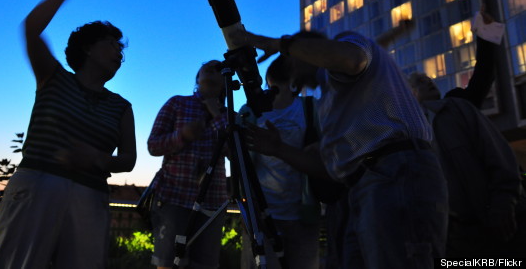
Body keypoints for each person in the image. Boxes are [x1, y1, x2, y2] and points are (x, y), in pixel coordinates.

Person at [233, 29, 448, 269]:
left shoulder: (349, 43)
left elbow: (352, 58)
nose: (291, 69)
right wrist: (279, 149)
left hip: (394, 173)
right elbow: (328, 169)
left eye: (292, 59)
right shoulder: (330, 99)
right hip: (363, 187)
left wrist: (279, 43)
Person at [0, 0, 137, 268]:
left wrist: (96, 158)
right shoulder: (53, 78)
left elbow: (128, 160)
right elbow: (31, 30)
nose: (118, 52)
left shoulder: (122, 106)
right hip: (36, 187)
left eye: (121, 49)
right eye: (111, 44)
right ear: (86, 48)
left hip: (90, 195)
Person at [408, 72, 526, 258]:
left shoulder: (458, 109)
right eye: (420, 81)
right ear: (409, 94)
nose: (429, 81)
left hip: (498, 227)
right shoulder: (408, 135)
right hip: (454, 240)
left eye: (428, 78)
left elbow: (499, 155)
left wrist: (504, 202)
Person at [239, 56, 320, 269]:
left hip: (304, 214)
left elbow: (325, 155)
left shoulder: (312, 109)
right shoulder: (250, 111)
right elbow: (239, 161)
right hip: (262, 215)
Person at [147, 60, 229, 269]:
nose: (213, 71)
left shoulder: (229, 116)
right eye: (207, 68)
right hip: (175, 196)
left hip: (213, 201)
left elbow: (236, 154)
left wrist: (217, 116)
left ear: (226, 82)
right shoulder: (177, 103)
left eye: (219, 69)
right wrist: (182, 135)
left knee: (205, 264)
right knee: (168, 263)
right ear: (197, 78)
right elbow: (153, 146)